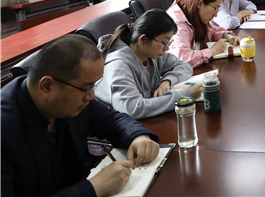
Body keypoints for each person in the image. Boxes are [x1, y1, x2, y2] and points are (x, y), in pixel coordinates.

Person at [1, 34, 160, 197]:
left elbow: (112, 120)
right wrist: (93, 188)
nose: (91, 96)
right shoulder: (5, 130)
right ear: (47, 86)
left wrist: (137, 137)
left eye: (94, 86)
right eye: (86, 87)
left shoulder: (70, 98)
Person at [95, 9, 202, 119]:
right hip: (116, 124)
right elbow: (133, 108)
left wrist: (167, 81)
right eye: (164, 43)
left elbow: (184, 66)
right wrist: (184, 96)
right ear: (144, 39)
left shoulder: (151, 53)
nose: (167, 48)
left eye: (168, 43)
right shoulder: (119, 67)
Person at [166, 0, 241, 68]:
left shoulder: (194, 13)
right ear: (200, 4)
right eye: (214, 8)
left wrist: (227, 36)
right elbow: (182, 58)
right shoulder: (178, 23)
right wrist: (212, 51)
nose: (216, 15)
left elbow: (212, 29)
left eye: (218, 9)